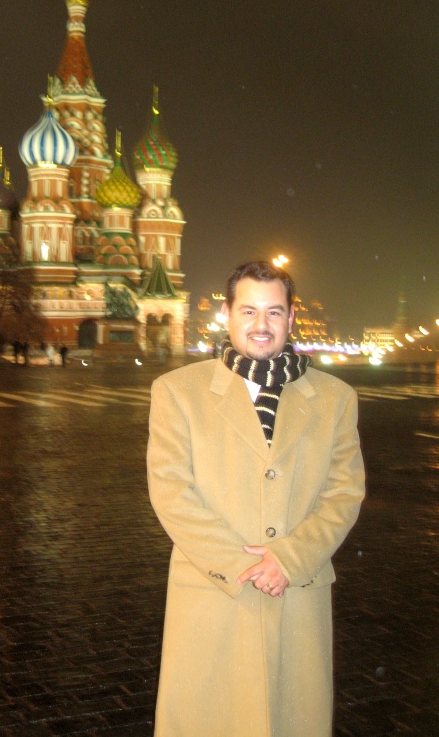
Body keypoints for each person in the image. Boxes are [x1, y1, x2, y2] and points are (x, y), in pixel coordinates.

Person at [147, 261, 365, 737]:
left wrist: (289, 558)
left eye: (273, 312)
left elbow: (344, 492)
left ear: (290, 318)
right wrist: (242, 564)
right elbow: (171, 490)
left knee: (293, 720)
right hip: (213, 590)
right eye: (248, 310)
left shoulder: (335, 398)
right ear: (226, 314)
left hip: (297, 591)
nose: (260, 325)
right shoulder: (178, 392)